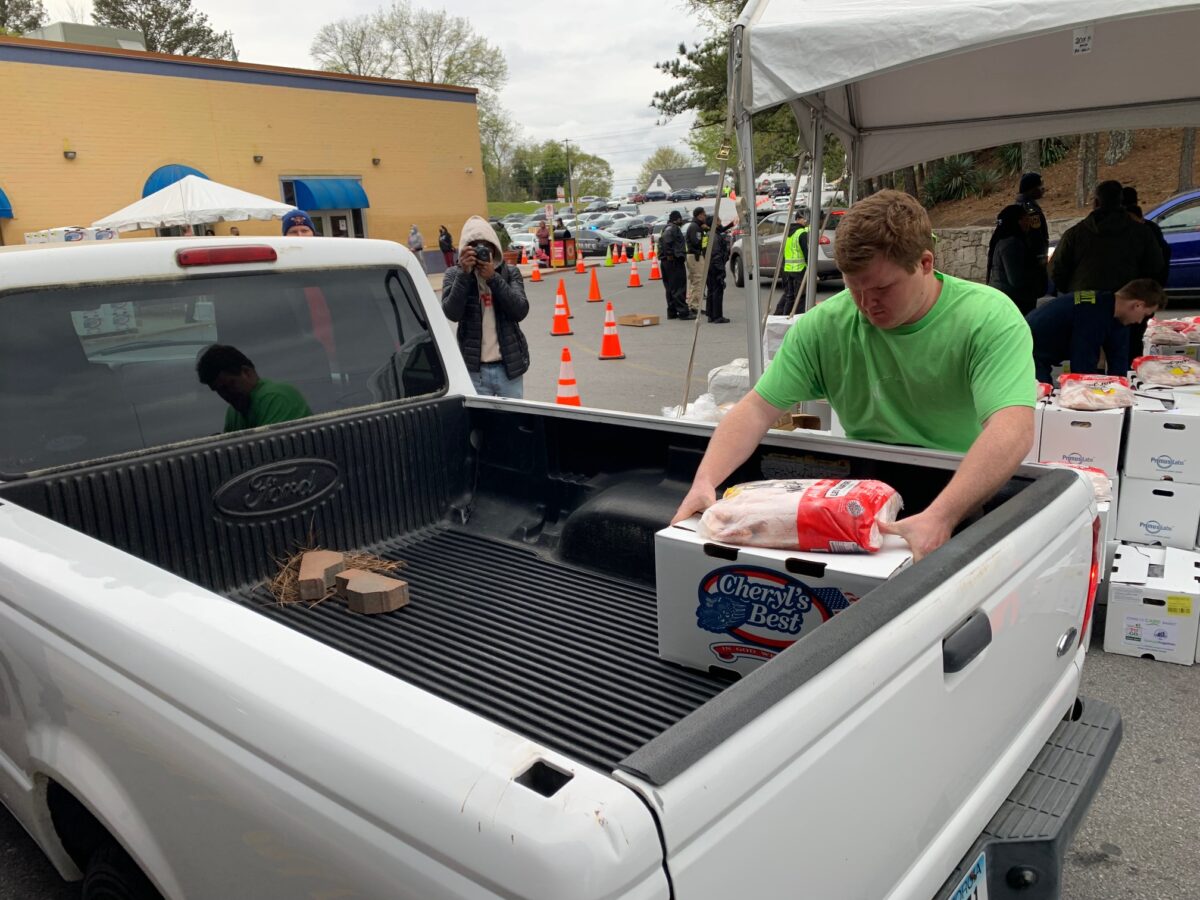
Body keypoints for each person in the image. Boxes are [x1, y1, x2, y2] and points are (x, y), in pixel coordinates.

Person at [671, 190, 1036, 561]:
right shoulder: (824, 326)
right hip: (858, 494)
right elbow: (756, 410)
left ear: (925, 263)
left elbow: (1013, 428)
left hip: (958, 488)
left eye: (881, 288)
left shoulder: (987, 317)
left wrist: (941, 517)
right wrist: (706, 479)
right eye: (853, 288)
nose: (866, 304)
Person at [441, 216, 530, 398]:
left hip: (508, 368)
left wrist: (493, 278)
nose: (480, 251)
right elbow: (452, 313)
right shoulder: (454, 275)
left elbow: (520, 310)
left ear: (494, 248)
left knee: (513, 422)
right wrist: (464, 276)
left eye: (485, 246)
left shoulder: (509, 272)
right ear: (465, 248)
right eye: (474, 246)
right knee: (481, 423)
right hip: (475, 371)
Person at [1025, 279, 1165, 384]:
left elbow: (1118, 356)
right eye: (1146, 315)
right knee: (1039, 399)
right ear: (1137, 305)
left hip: (1041, 350)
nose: (1140, 321)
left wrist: (1121, 387)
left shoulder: (1114, 311)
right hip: (1025, 351)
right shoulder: (1093, 312)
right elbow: (1083, 362)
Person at [1051, 180, 1163, 294]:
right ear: (1121, 201)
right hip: (1125, 300)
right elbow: (1155, 268)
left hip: (1085, 298)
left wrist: (1073, 292)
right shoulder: (1142, 233)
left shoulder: (1074, 234)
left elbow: (1056, 270)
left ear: (1096, 202)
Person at [196, 344, 312, 433]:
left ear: (247, 372)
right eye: (219, 390)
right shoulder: (233, 413)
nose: (226, 395)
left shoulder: (276, 399)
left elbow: (271, 456)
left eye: (229, 385)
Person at [986, 203, 1042, 315]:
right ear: (1018, 221)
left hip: (1010, 300)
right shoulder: (1011, 244)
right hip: (1014, 302)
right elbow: (1016, 279)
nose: (1028, 223)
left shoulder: (1008, 241)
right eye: (1025, 219)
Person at [1122, 187, 1171, 285]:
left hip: (1126, 284)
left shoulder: (1116, 228)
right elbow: (1164, 253)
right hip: (1147, 284)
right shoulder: (1151, 227)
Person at [1016, 172, 1049, 295]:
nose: (1043, 189)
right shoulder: (1030, 210)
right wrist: (1042, 263)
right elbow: (1036, 239)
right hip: (1032, 263)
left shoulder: (1021, 205)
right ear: (1031, 189)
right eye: (1040, 186)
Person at [657, 211, 694, 320]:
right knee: (679, 287)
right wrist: (670, 255)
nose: (681, 221)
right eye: (680, 219)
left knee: (670, 288)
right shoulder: (672, 228)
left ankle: (672, 312)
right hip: (673, 262)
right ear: (677, 219)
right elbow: (666, 241)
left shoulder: (666, 228)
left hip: (667, 262)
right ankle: (683, 313)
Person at [774, 210, 810, 316]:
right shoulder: (801, 233)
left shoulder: (788, 232)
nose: (806, 221)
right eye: (804, 219)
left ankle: (784, 317)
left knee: (790, 296)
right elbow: (806, 253)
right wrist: (811, 269)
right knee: (801, 296)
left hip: (788, 269)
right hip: (799, 269)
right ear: (798, 219)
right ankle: (798, 317)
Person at [706, 221, 733, 323]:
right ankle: (717, 316)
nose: (720, 222)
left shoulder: (709, 234)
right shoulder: (714, 236)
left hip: (709, 266)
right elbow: (716, 254)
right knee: (717, 291)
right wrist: (720, 270)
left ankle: (711, 314)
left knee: (711, 290)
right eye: (718, 220)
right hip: (715, 266)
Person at [684, 207, 710, 315]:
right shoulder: (695, 227)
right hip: (695, 256)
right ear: (699, 215)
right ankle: (694, 306)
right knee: (698, 281)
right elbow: (696, 242)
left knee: (695, 281)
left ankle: (692, 304)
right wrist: (704, 231)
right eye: (704, 215)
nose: (705, 217)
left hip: (694, 256)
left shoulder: (696, 226)